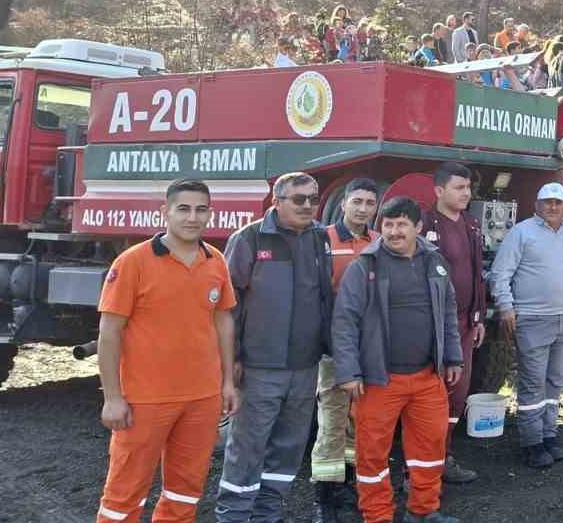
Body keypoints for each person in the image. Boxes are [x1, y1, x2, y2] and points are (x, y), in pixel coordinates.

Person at [94, 180, 238, 523]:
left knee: (185, 490)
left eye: (201, 209)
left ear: (210, 214)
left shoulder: (215, 260)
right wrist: (113, 398)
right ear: (165, 212)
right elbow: (109, 333)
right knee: (124, 494)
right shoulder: (133, 262)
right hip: (146, 398)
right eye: (183, 209)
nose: (193, 217)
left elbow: (223, 324)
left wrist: (227, 383)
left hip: (202, 398)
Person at [330, 196, 462, 523]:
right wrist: (348, 371)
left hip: (427, 376)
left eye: (402, 224)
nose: (393, 231)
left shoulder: (436, 263)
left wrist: (453, 357)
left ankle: (423, 510)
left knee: (430, 450)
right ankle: (377, 516)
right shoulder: (365, 267)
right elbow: (344, 321)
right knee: (372, 455)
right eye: (387, 224)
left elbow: (447, 313)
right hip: (379, 380)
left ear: (418, 227)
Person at [217, 173, 334, 523]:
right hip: (258, 367)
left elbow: (324, 300)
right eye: (299, 199)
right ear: (276, 201)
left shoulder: (319, 239)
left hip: (304, 368)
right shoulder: (250, 239)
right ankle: (234, 517)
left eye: (313, 199)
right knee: (247, 450)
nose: (308, 206)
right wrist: (232, 359)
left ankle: (266, 516)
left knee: (287, 451)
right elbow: (226, 307)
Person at [488, 183, 563, 468]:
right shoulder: (521, 233)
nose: (552, 207)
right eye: (547, 202)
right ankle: (532, 443)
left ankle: (549, 435)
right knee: (533, 382)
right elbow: (501, 273)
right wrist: (506, 307)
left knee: (556, 380)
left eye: (557, 202)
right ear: (537, 204)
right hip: (532, 319)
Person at [312, 179, 381, 523]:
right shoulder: (323, 240)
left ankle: (348, 486)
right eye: (357, 201)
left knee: (359, 420)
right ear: (343, 203)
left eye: (370, 202)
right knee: (333, 420)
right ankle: (324, 497)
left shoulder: (378, 243)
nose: (363, 208)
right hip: (333, 347)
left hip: (366, 347)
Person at [418, 163, 488, 485]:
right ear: (439, 191)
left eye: (468, 188)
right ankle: (420, 467)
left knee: (457, 395)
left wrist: (478, 317)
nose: (466, 194)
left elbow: (477, 274)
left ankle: (444, 457)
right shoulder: (425, 224)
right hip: (433, 325)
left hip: (464, 324)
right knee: (430, 395)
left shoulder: (472, 226)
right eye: (459, 188)